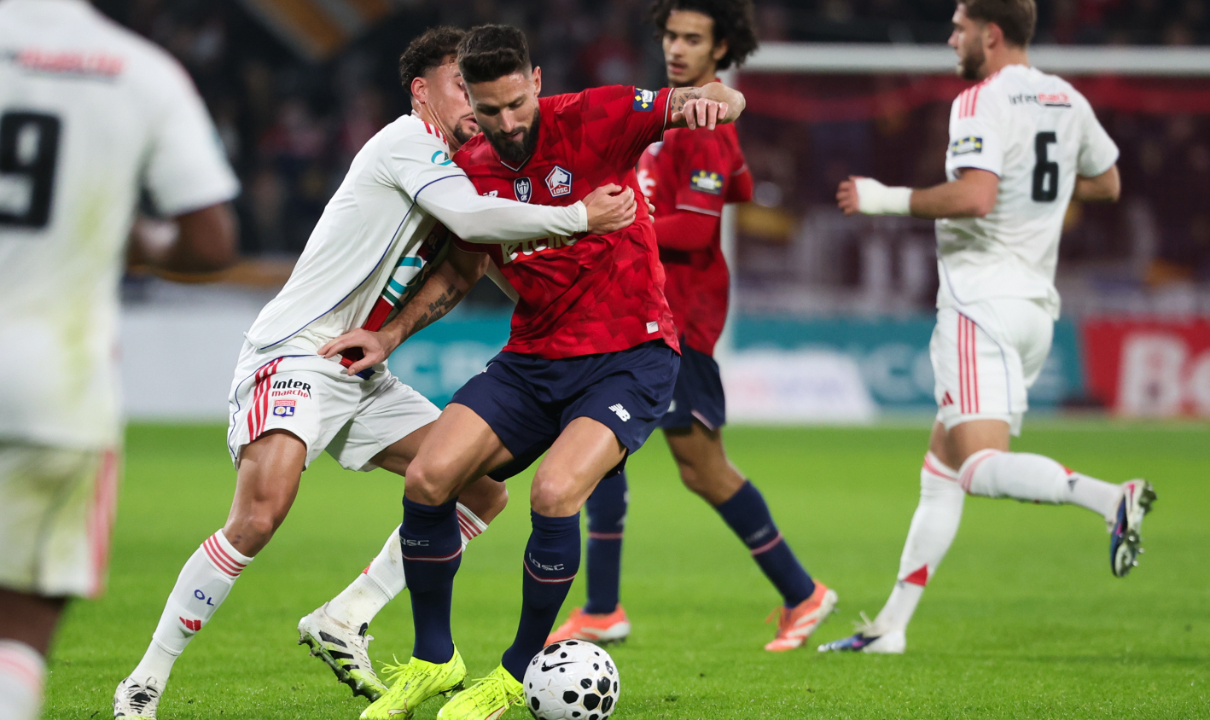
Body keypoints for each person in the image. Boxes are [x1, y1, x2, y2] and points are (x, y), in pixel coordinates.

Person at [110, 26, 639, 719]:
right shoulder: (405, 144)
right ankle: (145, 682)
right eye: (461, 87)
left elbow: (477, 256)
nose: (476, 107)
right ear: (422, 93)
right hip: (299, 350)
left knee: (478, 492)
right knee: (261, 513)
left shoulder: (465, 168)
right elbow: (472, 219)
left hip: (360, 363)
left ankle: (345, 616)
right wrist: (576, 215)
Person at [348, 24, 745, 720]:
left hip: (630, 354)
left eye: (517, 105)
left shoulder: (597, 115)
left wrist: (716, 102)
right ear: (469, 96)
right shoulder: (467, 166)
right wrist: (390, 335)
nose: (507, 124)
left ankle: (515, 669)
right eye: (489, 110)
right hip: (533, 356)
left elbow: (712, 97)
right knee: (429, 476)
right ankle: (432, 661)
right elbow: (463, 265)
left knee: (555, 493)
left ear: (535, 82)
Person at [0, 1, 242, 718]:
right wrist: (136, 241)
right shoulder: (141, 72)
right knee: (16, 627)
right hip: (50, 387)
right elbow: (210, 241)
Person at [819, 0, 1155, 655]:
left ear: (990, 34)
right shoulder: (1066, 98)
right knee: (942, 470)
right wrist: (1039, 194)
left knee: (974, 464)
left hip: (981, 301)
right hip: (1034, 306)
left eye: (958, 27)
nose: (951, 39)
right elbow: (1108, 183)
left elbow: (974, 196)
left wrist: (882, 198)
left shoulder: (979, 100)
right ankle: (890, 626)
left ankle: (1112, 499)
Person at [547, 0, 839, 653]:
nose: (677, 48)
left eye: (693, 39)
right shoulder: (674, 117)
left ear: (721, 49)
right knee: (599, 446)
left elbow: (702, 224)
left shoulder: (705, 119)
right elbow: (735, 186)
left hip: (680, 319)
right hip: (640, 310)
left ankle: (803, 592)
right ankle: (601, 607)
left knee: (702, 467)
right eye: (671, 36)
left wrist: (618, 221)